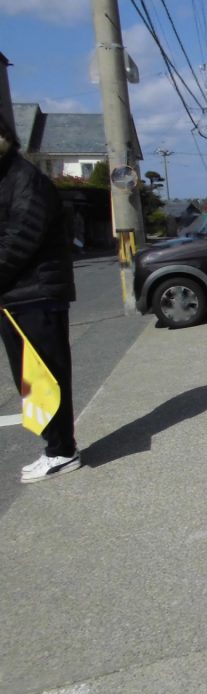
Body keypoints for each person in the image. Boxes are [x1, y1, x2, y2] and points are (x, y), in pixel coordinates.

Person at [0, 107, 79, 483]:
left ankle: (62, 451)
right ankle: (55, 448)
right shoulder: (8, 178)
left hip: (35, 293)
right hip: (17, 295)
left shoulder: (25, 180)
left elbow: (21, 239)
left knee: (46, 375)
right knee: (30, 379)